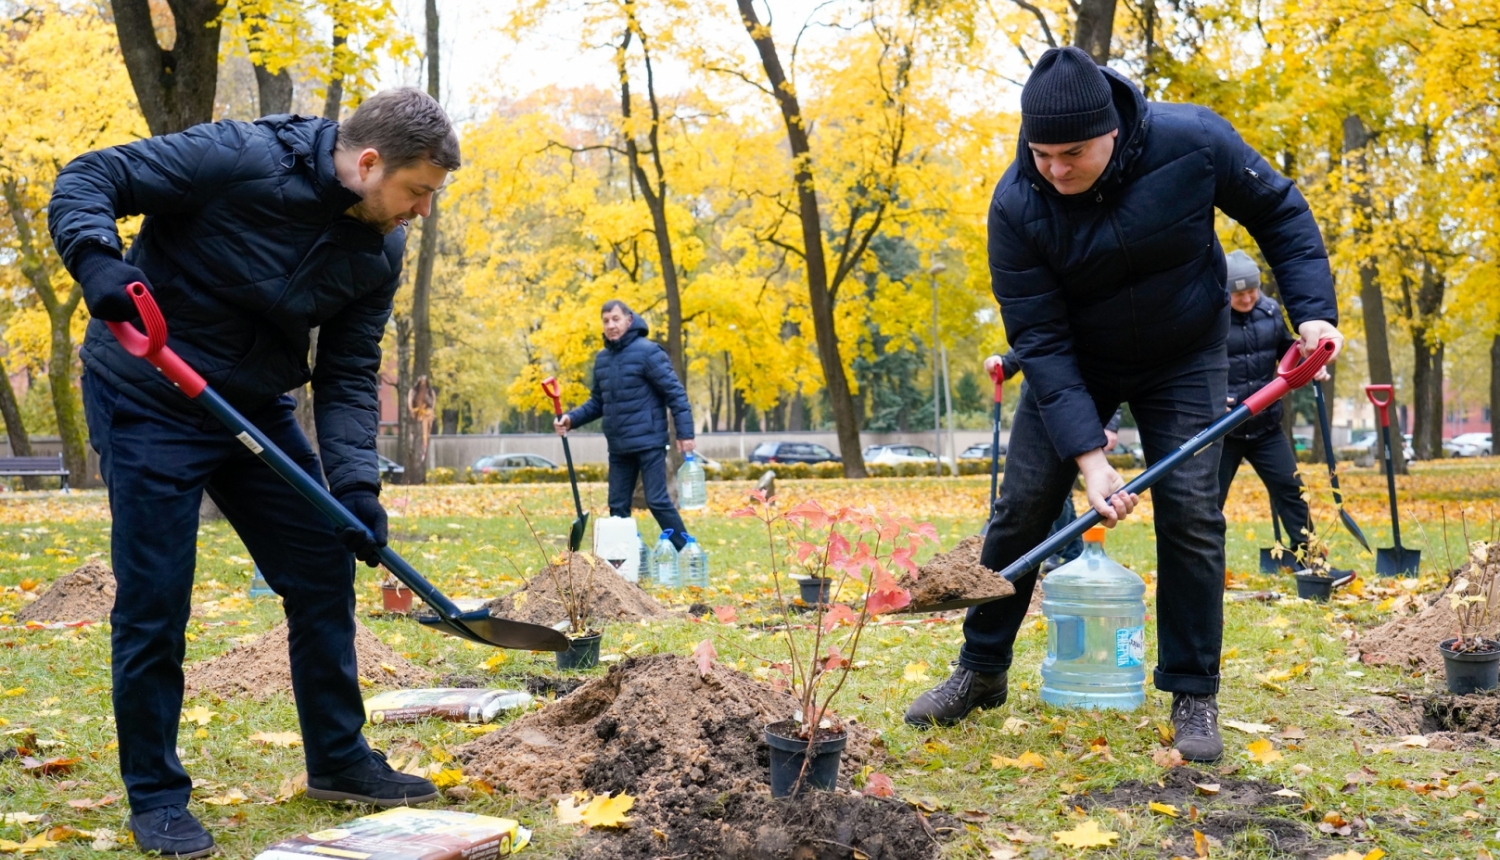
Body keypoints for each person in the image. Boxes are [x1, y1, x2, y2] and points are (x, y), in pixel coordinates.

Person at [49, 88, 460, 857]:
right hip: (147, 394)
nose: (421, 212)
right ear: (368, 164)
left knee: (320, 564)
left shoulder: (379, 250)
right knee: (155, 598)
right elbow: (88, 177)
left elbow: (345, 372)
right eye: (417, 193)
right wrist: (97, 258)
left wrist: (356, 486)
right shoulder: (236, 157)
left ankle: (339, 760)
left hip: (249, 406)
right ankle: (157, 798)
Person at [904, 47, 1343, 763]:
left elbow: (1279, 211)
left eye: (1072, 152)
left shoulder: (1194, 142)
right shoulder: (1017, 205)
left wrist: (1315, 314)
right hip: (1076, 358)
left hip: (1185, 353)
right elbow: (1039, 340)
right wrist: (1089, 457)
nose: (1054, 169)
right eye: (1041, 153)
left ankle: (1193, 691)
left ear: (1111, 129)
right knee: (1021, 508)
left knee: (1194, 512)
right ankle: (981, 670)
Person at [554, 301, 695, 549]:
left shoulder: (649, 352)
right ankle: (623, 562)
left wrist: (685, 433)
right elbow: (598, 402)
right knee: (617, 507)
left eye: (616, 319)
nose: (611, 325)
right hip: (618, 446)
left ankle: (688, 552)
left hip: (649, 441)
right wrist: (571, 418)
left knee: (657, 501)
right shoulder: (602, 360)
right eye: (606, 321)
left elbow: (676, 394)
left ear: (629, 320)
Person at [1217, 250, 1317, 561]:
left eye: (1251, 291)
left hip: (1265, 426)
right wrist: (1211, 397)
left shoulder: (1271, 311)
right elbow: (1194, 364)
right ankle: (1202, 572)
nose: (1247, 299)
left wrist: (1311, 359)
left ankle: (1312, 563)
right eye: (1239, 294)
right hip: (1223, 429)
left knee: (1292, 492)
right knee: (1208, 504)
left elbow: (1287, 348)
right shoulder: (1211, 318)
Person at [985, 351, 1122, 568]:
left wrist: (1110, 425)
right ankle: (1070, 551)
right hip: (1049, 401)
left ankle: (1065, 551)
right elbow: (1038, 339)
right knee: (1046, 492)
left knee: (1056, 493)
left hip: (1085, 407)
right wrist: (1007, 362)